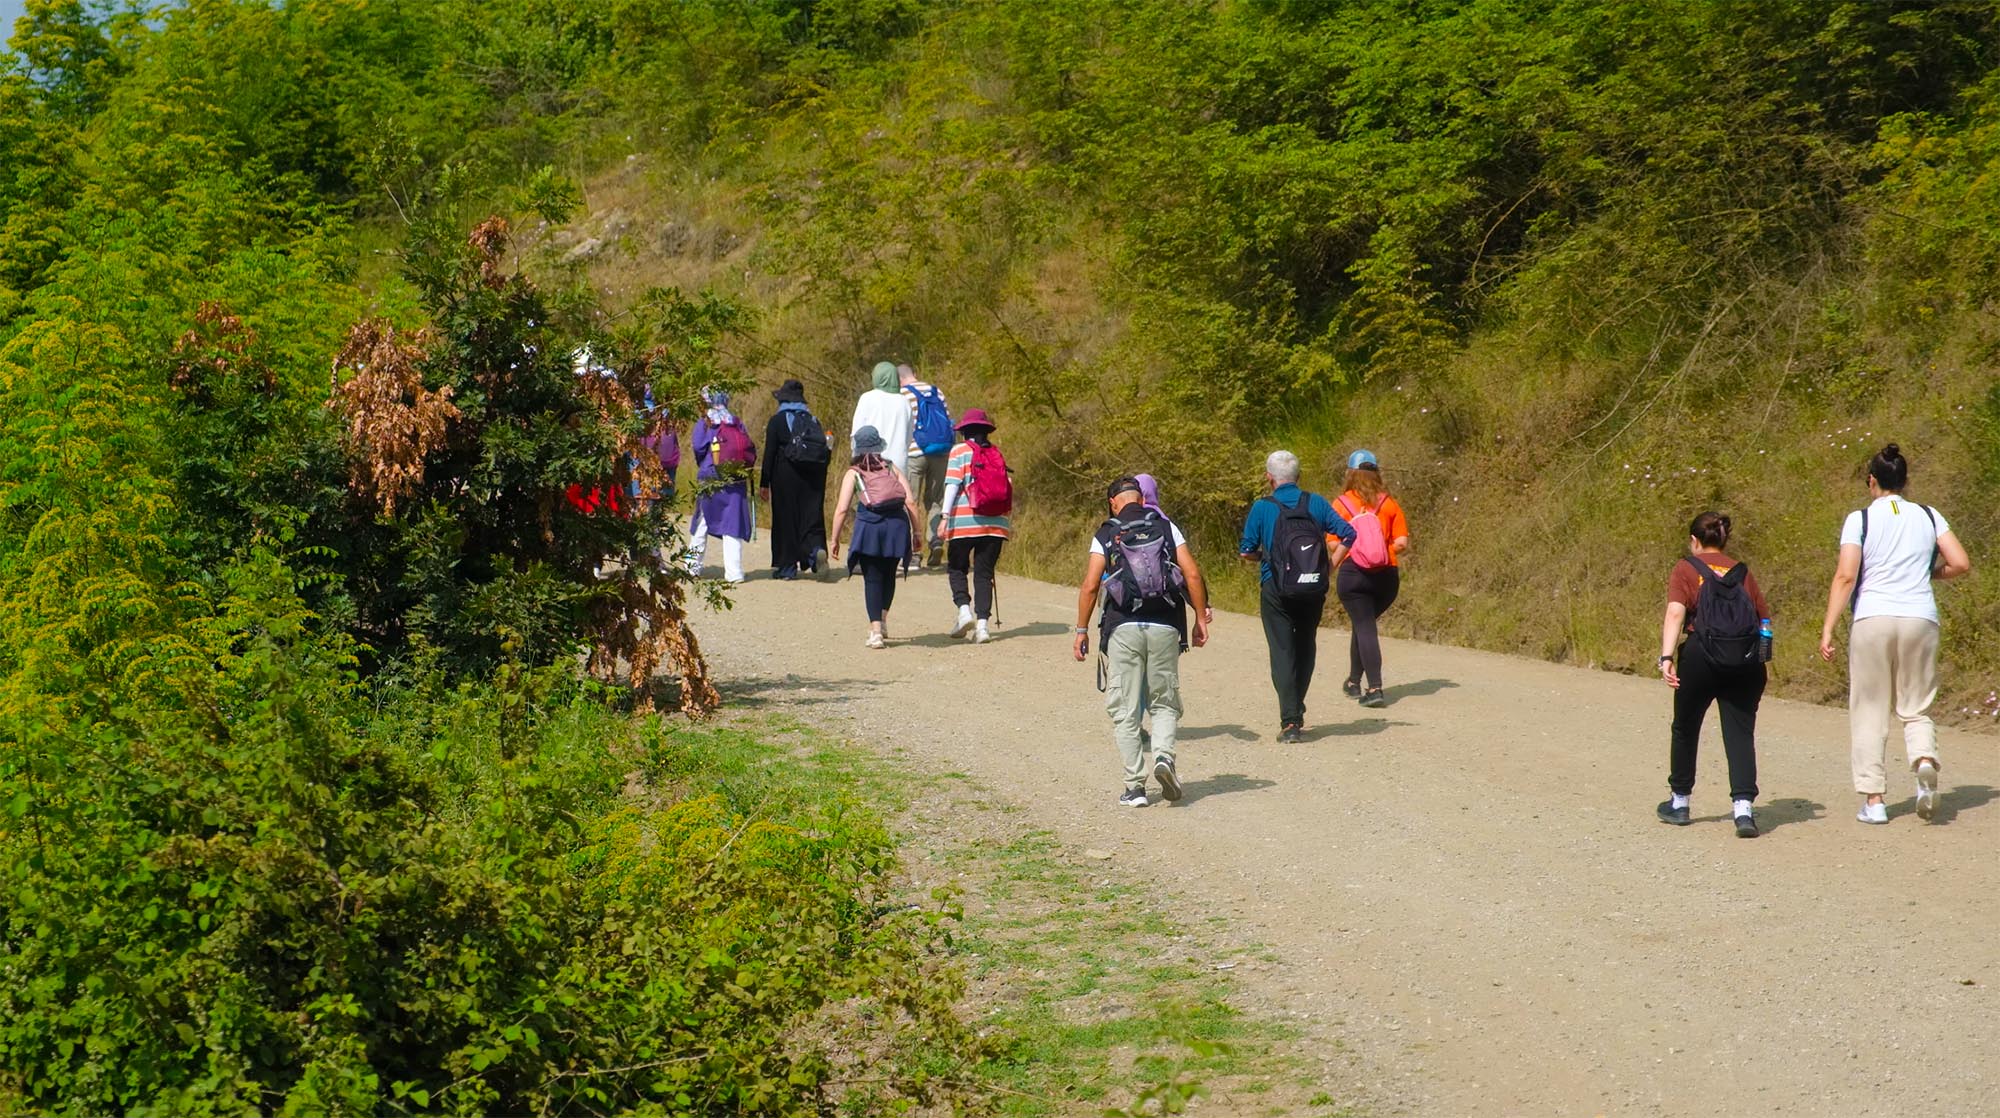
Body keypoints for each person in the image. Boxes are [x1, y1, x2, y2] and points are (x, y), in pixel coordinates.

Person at [1818, 444, 1972, 825]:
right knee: (1915, 705)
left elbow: (1846, 575)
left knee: (1870, 707)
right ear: (1905, 481)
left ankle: (1875, 801)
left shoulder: (1860, 519)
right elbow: (1960, 563)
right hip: (1920, 616)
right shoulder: (1929, 515)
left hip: (1873, 617)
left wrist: (1828, 627)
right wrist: (1930, 574)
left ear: (1872, 481)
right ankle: (1923, 761)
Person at [1074, 477, 1210, 808]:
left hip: (1123, 627)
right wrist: (1200, 619)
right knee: (1163, 701)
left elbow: (1091, 585)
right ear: (1142, 498)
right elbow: (1191, 574)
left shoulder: (1106, 532)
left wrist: (1081, 630)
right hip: (1165, 625)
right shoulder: (1166, 527)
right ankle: (1163, 757)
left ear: (1112, 502)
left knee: (1125, 707)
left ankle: (1135, 786)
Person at [1656, 512, 1772, 838]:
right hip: (1745, 662)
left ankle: (1680, 803)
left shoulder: (1686, 569)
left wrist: (1666, 657)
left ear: (1694, 541)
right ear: (1723, 540)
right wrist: (1759, 663)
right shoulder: (1742, 572)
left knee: (1686, 726)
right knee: (1739, 732)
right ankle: (1744, 811)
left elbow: (1676, 611)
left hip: (1700, 658)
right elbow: (1764, 620)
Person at [1238, 450, 1354, 742]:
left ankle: (1290, 721)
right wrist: (1329, 567)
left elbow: (1246, 550)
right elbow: (1348, 534)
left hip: (1275, 588)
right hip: (1312, 587)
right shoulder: (1314, 502)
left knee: (1282, 650)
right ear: (1298, 477)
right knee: (1305, 647)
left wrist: (1266, 558)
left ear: (1269, 478)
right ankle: (1296, 707)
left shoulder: (1262, 507)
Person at [828, 426, 925, 648]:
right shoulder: (892, 467)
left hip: (870, 527)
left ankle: (876, 632)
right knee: (889, 574)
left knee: (872, 578)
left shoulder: (854, 472)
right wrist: (917, 532)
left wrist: (834, 539)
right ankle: (882, 620)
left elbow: (842, 509)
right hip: (897, 526)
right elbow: (910, 502)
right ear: (878, 446)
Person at [1332, 449, 1411, 708]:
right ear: (1376, 474)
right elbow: (1402, 542)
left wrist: (1358, 550)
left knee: (1364, 626)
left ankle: (1375, 687)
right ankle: (1354, 681)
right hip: (1386, 577)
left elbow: (1333, 545)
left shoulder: (1341, 504)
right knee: (1363, 624)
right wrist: (1381, 551)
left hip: (1354, 574)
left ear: (1350, 474)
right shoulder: (1389, 503)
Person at [937, 408, 1012, 644]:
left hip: (963, 522)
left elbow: (952, 485)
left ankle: (963, 611)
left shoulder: (959, 451)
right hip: (996, 523)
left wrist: (944, 516)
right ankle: (982, 627)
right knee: (984, 573)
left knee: (957, 568)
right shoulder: (996, 453)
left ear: (964, 431)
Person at [759, 379, 830, 579]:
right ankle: (815, 551)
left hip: (785, 476)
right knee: (811, 516)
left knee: (786, 519)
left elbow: (770, 453)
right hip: (813, 476)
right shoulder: (813, 420)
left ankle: (787, 568)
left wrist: (764, 483)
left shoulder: (777, 421)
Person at [686, 388, 756, 584]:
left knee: (702, 522)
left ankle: (692, 568)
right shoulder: (735, 421)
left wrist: (706, 464)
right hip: (735, 478)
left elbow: (699, 447)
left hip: (710, 476)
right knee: (732, 525)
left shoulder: (705, 421)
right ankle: (735, 573)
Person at [901, 362, 954, 566]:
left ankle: (913, 553)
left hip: (915, 453)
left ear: (899, 379)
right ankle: (936, 542)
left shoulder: (902, 395)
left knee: (910, 501)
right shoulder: (936, 391)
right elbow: (947, 420)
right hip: (940, 451)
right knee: (935, 500)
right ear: (914, 373)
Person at [850, 361, 913, 483]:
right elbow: (909, 437)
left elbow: (856, 435)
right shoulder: (904, 401)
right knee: (897, 498)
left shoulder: (867, 398)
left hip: (870, 462)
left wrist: (855, 460)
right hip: (899, 463)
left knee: (872, 498)